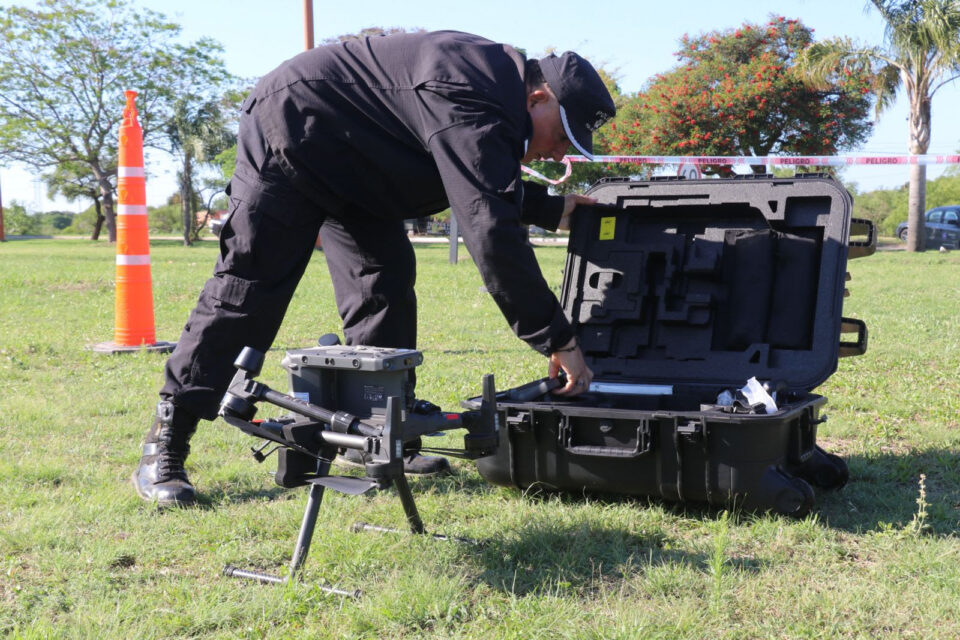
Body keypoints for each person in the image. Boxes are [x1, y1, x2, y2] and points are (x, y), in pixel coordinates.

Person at [132, 30, 616, 507]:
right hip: (294, 129)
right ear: (537, 98)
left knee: (383, 279)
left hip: (360, 165)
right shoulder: (471, 92)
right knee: (249, 287)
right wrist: (558, 338)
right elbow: (489, 227)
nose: (559, 153)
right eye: (562, 136)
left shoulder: (491, 97)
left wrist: (552, 209)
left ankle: (372, 433)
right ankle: (168, 437)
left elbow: (473, 175)